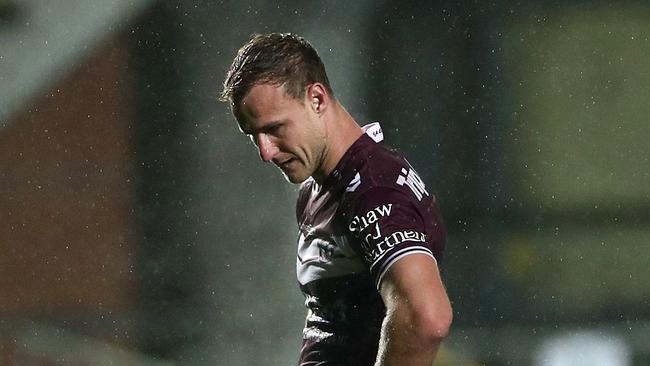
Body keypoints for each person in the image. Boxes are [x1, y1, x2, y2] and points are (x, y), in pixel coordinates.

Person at [220, 32, 452, 366]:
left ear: (316, 99)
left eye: (274, 129)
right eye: (253, 136)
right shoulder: (319, 191)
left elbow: (426, 318)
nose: (265, 152)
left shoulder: (374, 191)